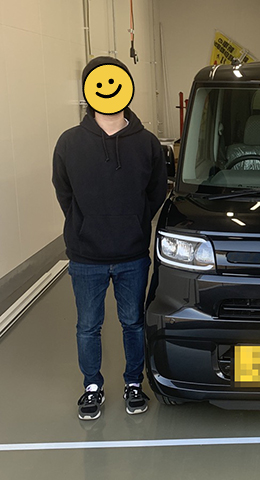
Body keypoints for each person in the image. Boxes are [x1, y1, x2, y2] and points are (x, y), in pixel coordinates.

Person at [52, 56, 167, 420]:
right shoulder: (69, 142)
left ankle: (134, 383)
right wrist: (84, 224)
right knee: (88, 326)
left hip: (132, 254)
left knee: (133, 322)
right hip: (86, 256)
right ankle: (92, 387)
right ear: (88, 91)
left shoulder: (147, 143)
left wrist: (135, 222)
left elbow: (156, 191)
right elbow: (64, 191)